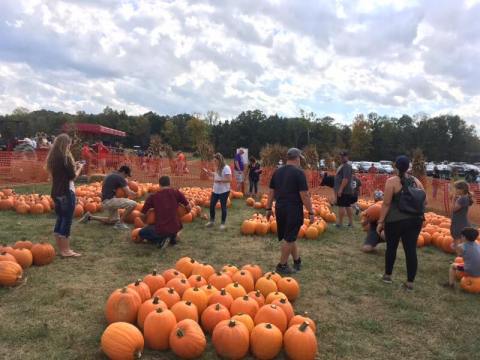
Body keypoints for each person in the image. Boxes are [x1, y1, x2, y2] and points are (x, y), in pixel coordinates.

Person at [377, 155, 426, 291]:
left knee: (391, 247)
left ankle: (387, 276)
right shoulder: (417, 182)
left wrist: (380, 222)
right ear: (408, 167)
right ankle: (410, 283)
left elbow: (386, 204)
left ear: (395, 166)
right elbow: (424, 202)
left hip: (396, 220)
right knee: (410, 250)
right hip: (416, 220)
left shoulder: (392, 181)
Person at [266, 148, 314, 275]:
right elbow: (304, 195)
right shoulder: (299, 173)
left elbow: (271, 192)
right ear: (298, 158)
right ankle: (282, 266)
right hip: (293, 209)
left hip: (280, 208)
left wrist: (268, 208)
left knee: (289, 237)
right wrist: (311, 212)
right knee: (289, 238)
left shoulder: (277, 172)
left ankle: (297, 261)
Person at [46, 134, 83, 257]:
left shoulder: (53, 158)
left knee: (60, 218)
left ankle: (61, 249)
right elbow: (72, 177)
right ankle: (65, 250)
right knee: (66, 220)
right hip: (66, 192)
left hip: (56, 192)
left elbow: (63, 173)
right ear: (66, 144)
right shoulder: (65, 158)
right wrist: (80, 168)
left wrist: (74, 165)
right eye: (69, 144)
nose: (69, 146)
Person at [138, 176, 190, 248]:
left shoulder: (153, 196)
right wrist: (180, 214)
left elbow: (142, 214)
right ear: (170, 183)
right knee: (171, 227)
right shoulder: (177, 193)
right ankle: (172, 237)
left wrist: (145, 223)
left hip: (161, 228)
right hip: (176, 226)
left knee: (141, 232)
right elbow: (188, 207)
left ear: (159, 185)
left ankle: (162, 239)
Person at [205, 153, 232, 230]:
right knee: (211, 205)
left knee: (223, 207)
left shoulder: (226, 168)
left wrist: (220, 181)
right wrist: (211, 173)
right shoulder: (217, 167)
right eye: (214, 161)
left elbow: (229, 179)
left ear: (220, 160)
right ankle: (212, 221)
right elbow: (217, 175)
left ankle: (223, 224)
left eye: (215, 161)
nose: (214, 162)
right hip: (215, 190)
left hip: (224, 191)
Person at [450, 181, 473, 248]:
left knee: (457, 238)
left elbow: (453, 209)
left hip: (459, 222)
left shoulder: (462, 199)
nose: (455, 190)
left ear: (462, 190)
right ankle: (460, 253)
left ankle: (459, 255)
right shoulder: (464, 198)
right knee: (461, 240)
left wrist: (453, 199)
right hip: (461, 221)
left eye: (457, 189)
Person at [334, 151, 354, 227]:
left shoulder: (347, 166)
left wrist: (340, 189)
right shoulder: (343, 165)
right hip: (346, 190)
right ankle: (350, 223)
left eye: (343, 156)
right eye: (341, 157)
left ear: (347, 157)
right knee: (347, 205)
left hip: (344, 190)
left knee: (341, 206)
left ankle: (340, 223)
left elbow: (345, 179)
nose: (342, 158)